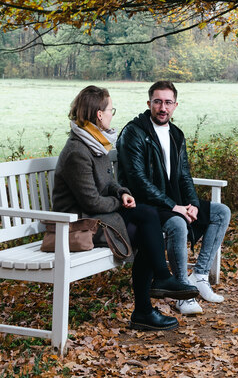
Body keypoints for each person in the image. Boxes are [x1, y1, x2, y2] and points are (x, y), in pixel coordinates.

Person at [52, 85, 197, 331]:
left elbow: (107, 184)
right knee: (148, 226)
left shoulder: (94, 144)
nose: (111, 114)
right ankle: (148, 301)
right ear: (99, 114)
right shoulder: (78, 151)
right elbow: (91, 202)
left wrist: (122, 192)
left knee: (148, 222)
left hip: (97, 218)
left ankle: (148, 302)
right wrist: (120, 202)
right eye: (110, 109)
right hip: (80, 225)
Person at [117, 81, 231, 315]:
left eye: (168, 102)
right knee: (177, 223)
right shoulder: (134, 132)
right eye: (157, 101)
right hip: (145, 206)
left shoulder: (176, 134)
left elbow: (184, 175)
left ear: (175, 105)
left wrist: (194, 205)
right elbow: (138, 180)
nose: (162, 107)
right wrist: (174, 206)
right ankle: (182, 291)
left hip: (172, 201)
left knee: (221, 212)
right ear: (148, 103)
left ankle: (199, 276)